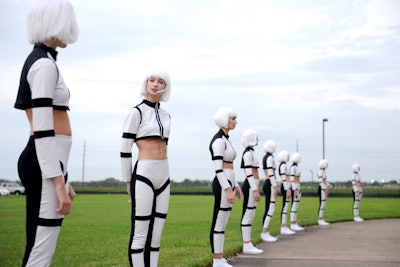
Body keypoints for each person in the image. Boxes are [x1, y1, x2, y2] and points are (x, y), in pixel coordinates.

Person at [14, 0, 79, 266]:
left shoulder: (45, 61)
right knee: (41, 250)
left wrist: (62, 177)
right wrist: (57, 181)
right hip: (43, 163)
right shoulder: (43, 65)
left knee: (39, 246)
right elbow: (41, 128)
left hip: (48, 163)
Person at [120, 70, 172, 267]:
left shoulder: (167, 115)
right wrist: (128, 182)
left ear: (166, 87)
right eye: (152, 80)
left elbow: (165, 145)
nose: (156, 84)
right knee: (140, 234)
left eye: (160, 81)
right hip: (143, 175)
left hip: (164, 174)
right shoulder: (136, 112)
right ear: (146, 83)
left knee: (156, 236)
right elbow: (125, 149)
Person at [209, 107, 243, 267]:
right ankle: (217, 259)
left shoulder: (226, 139)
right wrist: (228, 188)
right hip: (222, 183)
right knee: (219, 220)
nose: (235, 122)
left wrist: (236, 186)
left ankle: (220, 257)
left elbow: (230, 168)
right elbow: (218, 169)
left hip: (228, 182)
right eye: (232, 118)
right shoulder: (219, 141)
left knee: (223, 222)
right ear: (224, 119)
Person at [239, 129, 263, 254]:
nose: (258, 139)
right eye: (256, 137)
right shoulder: (248, 153)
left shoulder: (251, 153)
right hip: (250, 186)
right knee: (248, 215)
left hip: (252, 186)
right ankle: (246, 245)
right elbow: (248, 172)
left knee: (251, 214)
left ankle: (248, 243)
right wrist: (254, 190)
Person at [260, 140, 279, 242]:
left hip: (269, 183)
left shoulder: (266, 157)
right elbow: (271, 173)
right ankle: (264, 232)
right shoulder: (270, 158)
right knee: (270, 209)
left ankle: (265, 232)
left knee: (268, 208)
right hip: (270, 184)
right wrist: (275, 186)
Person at [278, 150, 295, 235]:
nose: (289, 157)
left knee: (286, 207)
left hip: (287, 187)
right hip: (285, 187)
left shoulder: (284, 165)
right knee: (285, 207)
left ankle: (284, 226)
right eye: (287, 155)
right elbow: (284, 178)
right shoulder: (283, 165)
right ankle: (283, 227)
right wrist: (287, 189)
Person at [289, 152, 304, 231]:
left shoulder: (296, 167)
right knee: (294, 206)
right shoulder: (293, 168)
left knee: (296, 206)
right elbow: (292, 179)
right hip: (295, 187)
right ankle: (292, 223)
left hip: (298, 187)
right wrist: (294, 190)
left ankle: (295, 222)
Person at [317, 159, 331, 226]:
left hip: (323, 188)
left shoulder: (323, 172)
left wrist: (329, 185)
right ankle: (320, 219)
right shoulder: (320, 172)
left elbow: (325, 181)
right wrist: (325, 189)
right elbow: (321, 182)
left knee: (323, 204)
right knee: (322, 204)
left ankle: (321, 219)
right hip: (322, 189)